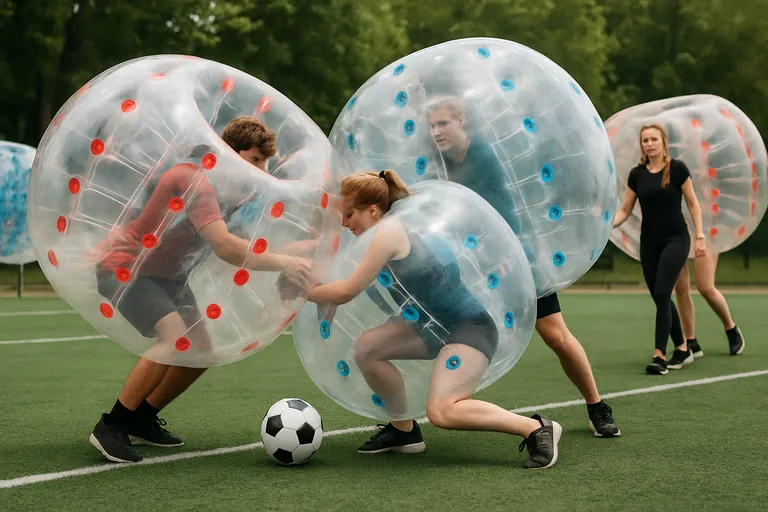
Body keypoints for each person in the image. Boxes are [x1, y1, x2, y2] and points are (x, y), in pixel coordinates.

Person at [90, 116, 313, 463]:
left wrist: (304, 252)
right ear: (228, 152)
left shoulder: (230, 194)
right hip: (127, 268)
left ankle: (141, 417)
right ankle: (111, 425)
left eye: (264, 163)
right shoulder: (192, 179)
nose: (261, 171)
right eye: (255, 160)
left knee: (201, 352)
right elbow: (225, 247)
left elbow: (243, 244)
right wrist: (283, 262)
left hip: (167, 277)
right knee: (174, 338)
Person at [307, 170, 562, 469]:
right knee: (367, 349)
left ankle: (536, 428)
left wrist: (304, 293)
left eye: (349, 215)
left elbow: (347, 290)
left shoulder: (388, 233)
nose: (344, 223)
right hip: (429, 325)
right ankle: (404, 431)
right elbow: (343, 287)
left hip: (468, 326)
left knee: (442, 412)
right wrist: (323, 293)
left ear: (373, 210)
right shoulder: (381, 234)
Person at [424, 97, 620, 437]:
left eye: (443, 123)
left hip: (515, 260)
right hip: (472, 266)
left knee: (556, 335)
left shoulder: (482, 155)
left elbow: (505, 207)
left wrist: (505, 257)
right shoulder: (439, 165)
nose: (436, 131)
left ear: (461, 121)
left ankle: (596, 405)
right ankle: (416, 420)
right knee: (443, 331)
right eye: (432, 126)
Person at [613, 123, 707, 375]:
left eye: (654, 139)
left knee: (663, 292)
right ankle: (682, 348)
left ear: (663, 141)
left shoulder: (677, 169)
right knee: (659, 296)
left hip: (676, 239)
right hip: (649, 242)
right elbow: (625, 210)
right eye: (645, 140)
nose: (649, 144)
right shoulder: (637, 174)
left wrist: (700, 236)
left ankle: (659, 355)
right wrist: (605, 226)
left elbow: (693, 203)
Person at [674, 246, 746, 357]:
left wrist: (700, 238)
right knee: (680, 287)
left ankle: (731, 328)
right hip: (680, 237)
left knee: (705, 287)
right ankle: (691, 341)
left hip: (706, 238)